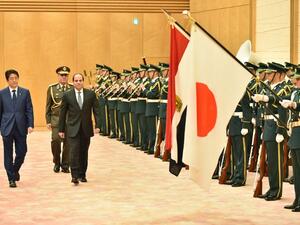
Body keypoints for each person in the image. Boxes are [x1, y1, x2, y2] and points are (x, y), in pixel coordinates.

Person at [58, 73, 100, 185]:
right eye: (76, 80)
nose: (78, 82)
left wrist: (98, 125)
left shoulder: (90, 94)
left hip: (86, 128)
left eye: (80, 80)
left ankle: (82, 174)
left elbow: (96, 111)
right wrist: (61, 130)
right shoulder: (67, 95)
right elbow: (62, 113)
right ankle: (74, 175)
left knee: (84, 152)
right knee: (74, 151)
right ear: (73, 82)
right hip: (72, 128)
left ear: (83, 81)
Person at [0, 69, 34, 188]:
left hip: (21, 127)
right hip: (6, 127)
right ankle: (11, 178)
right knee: (8, 154)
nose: (14, 80)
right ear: (7, 80)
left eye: (16, 78)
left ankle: (14, 170)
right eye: (11, 78)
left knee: (22, 151)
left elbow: (29, 109)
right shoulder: (2, 93)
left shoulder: (25, 92)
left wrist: (30, 124)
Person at [46, 66, 73, 173]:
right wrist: (48, 121)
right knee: (56, 141)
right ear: (58, 76)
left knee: (68, 143)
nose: (64, 77)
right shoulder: (52, 89)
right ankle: (57, 162)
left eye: (66, 75)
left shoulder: (72, 88)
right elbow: (48, 106)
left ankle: (65, 165)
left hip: (70, 120)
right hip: (56, 119)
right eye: (62, 75)